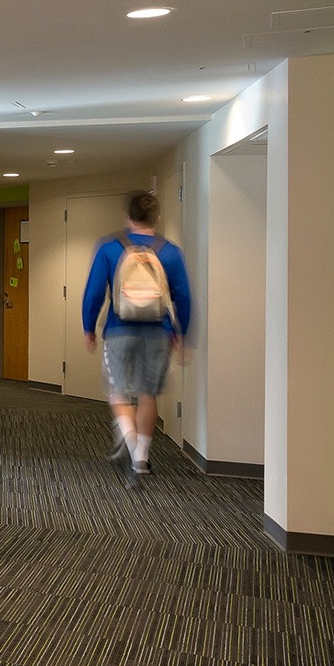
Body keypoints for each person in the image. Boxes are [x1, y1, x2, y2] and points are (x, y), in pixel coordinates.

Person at [81, 191, 193, 487]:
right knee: (147, 394)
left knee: (118, 393)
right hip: (158, 332)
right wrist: (180, 332)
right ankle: (141, 458)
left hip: (119, 330)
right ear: (156, 217)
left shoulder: (110, 249)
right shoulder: (170, 252)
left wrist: (88, 327)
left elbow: (94, 292)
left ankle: (130, 446)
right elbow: (183, 297)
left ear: (127, 217)